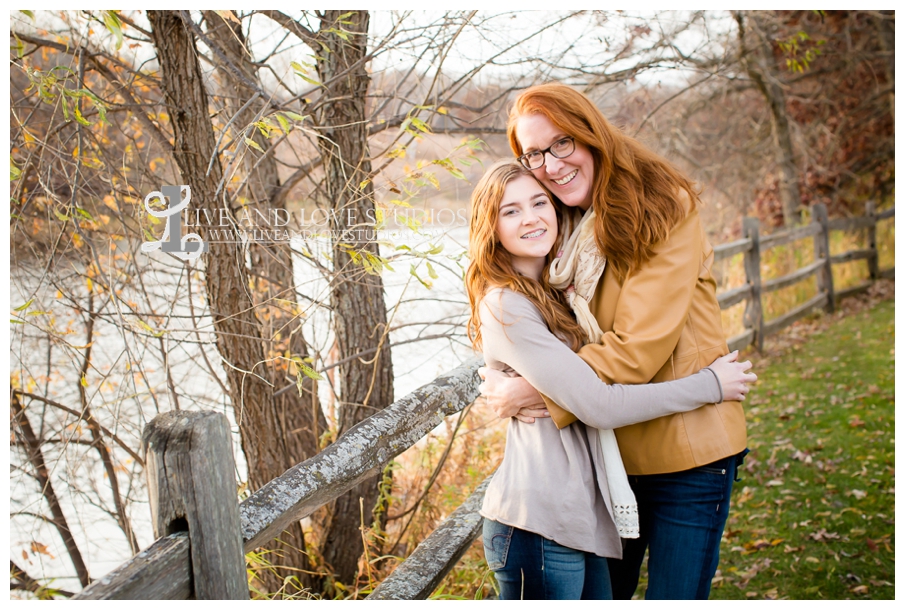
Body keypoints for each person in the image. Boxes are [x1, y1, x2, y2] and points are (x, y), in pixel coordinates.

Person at [477, 83, 751, 600]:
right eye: (533, 154)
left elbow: (635, 350)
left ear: (591, 134)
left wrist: (534, 391)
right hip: (611, 461)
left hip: (685, 452)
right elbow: (533, 323)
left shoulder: (663, 209)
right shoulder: (567, 222)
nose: (551, 165)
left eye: (562, 143)